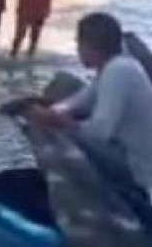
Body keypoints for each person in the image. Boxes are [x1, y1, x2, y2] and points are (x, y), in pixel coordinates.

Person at [26, 13, 152, 197]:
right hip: (125, 152)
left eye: (79, 44)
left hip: (137, 167)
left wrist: (61, 122)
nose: (78, 50)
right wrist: (50, 112)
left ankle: (72, 195)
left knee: (55, 134)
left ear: (92, 46)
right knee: (61, 88)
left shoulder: (119, 72)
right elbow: (81, 100)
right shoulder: (115, 66)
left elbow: (100, 131)